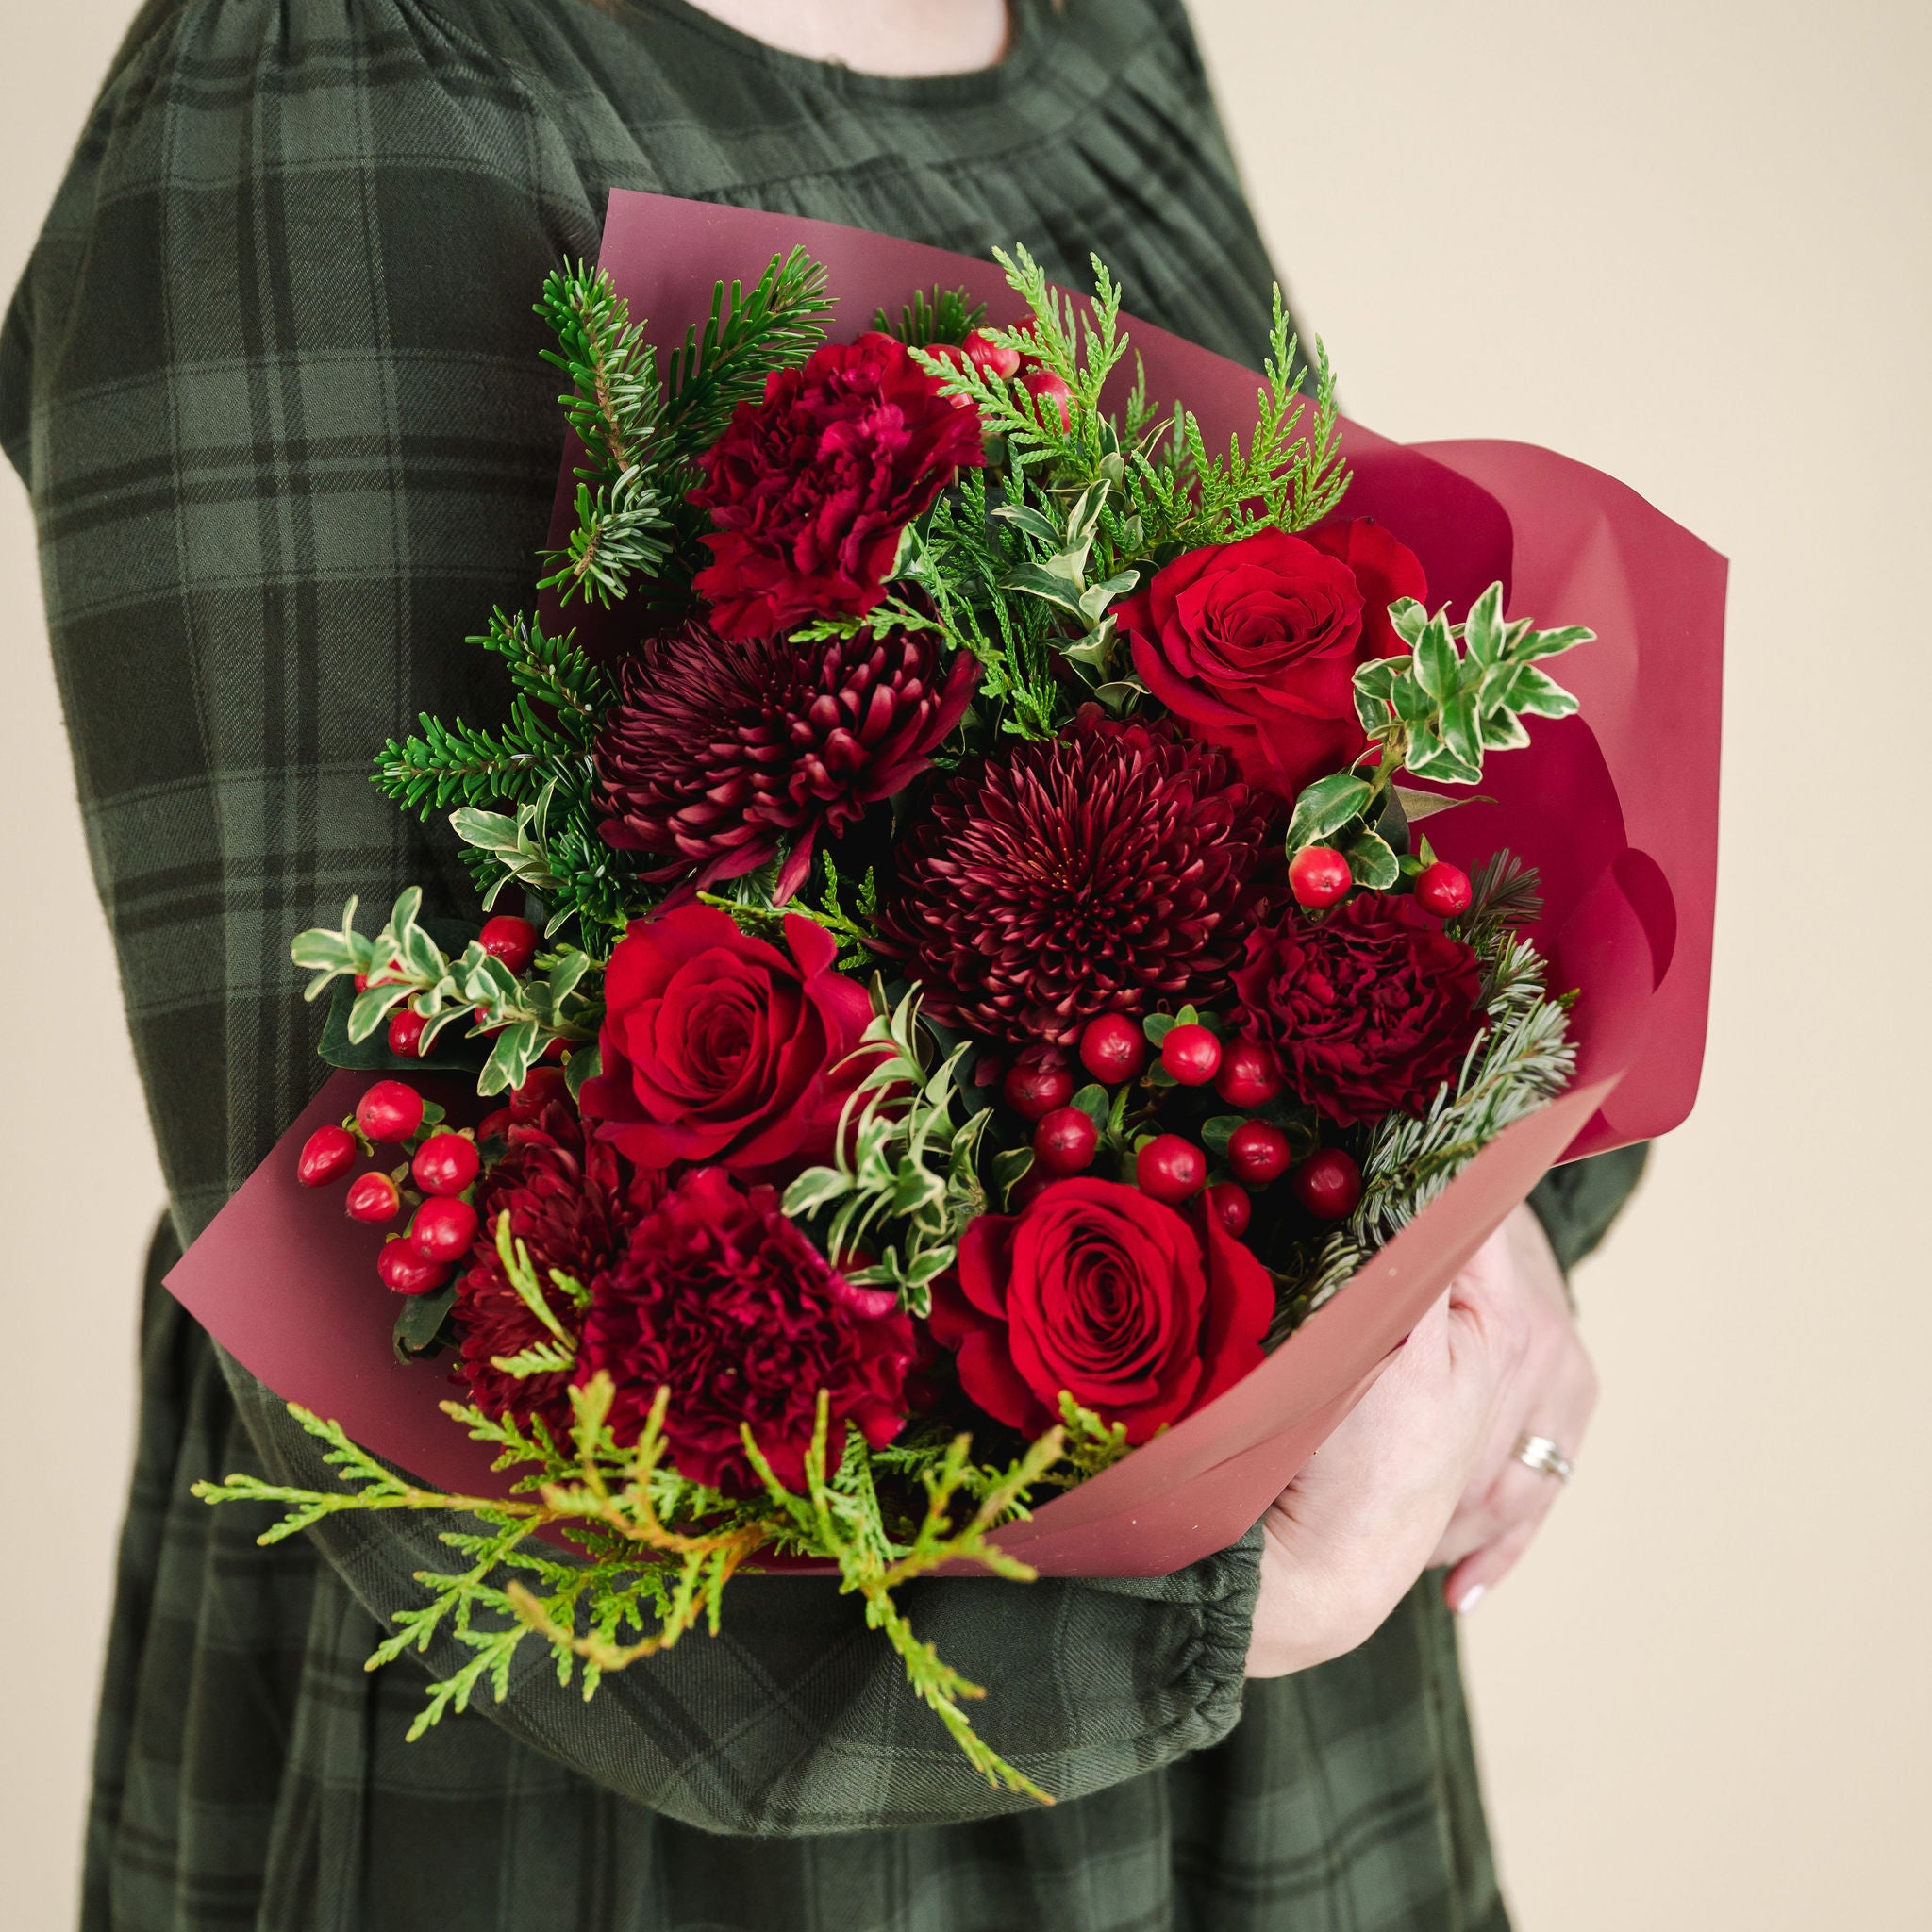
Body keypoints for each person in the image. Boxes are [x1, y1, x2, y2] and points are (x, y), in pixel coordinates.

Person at [0, 2, 1647, 1926]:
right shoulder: (320, 87)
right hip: (682, 1803)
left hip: (1282, 1719)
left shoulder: (1103, 27)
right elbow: (394, 1327)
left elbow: (1332, 768)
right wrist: (1235, 1595)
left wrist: (1474, 1218)